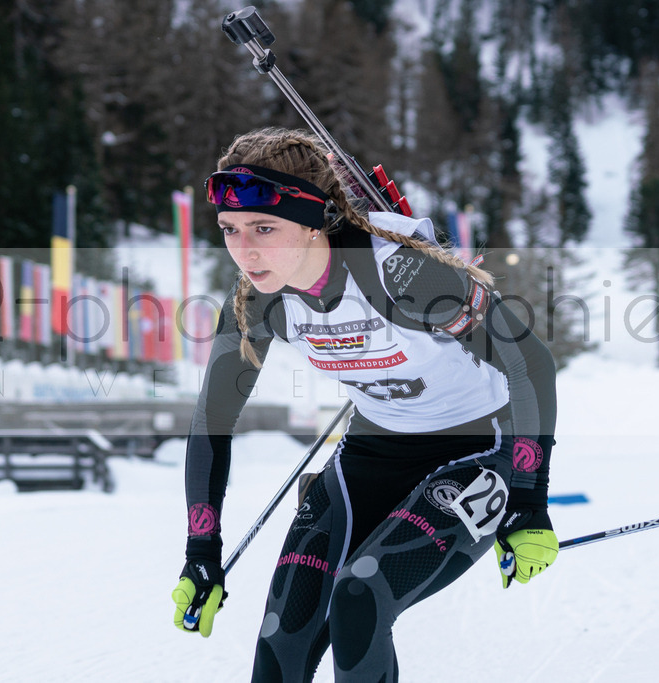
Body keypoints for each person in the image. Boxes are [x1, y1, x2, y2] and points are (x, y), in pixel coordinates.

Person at [171, 127, 559, 682]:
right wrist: (201, 550)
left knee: (360, 598)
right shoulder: (257, 301)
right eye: (230, 229)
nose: (245, 249)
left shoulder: (402, 274)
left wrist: (529, 498)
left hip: (476, 450)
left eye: (264, 228)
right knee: (283, 641)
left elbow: (531, 362)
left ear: (313, 223)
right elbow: (212, 423)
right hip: (371, 455)